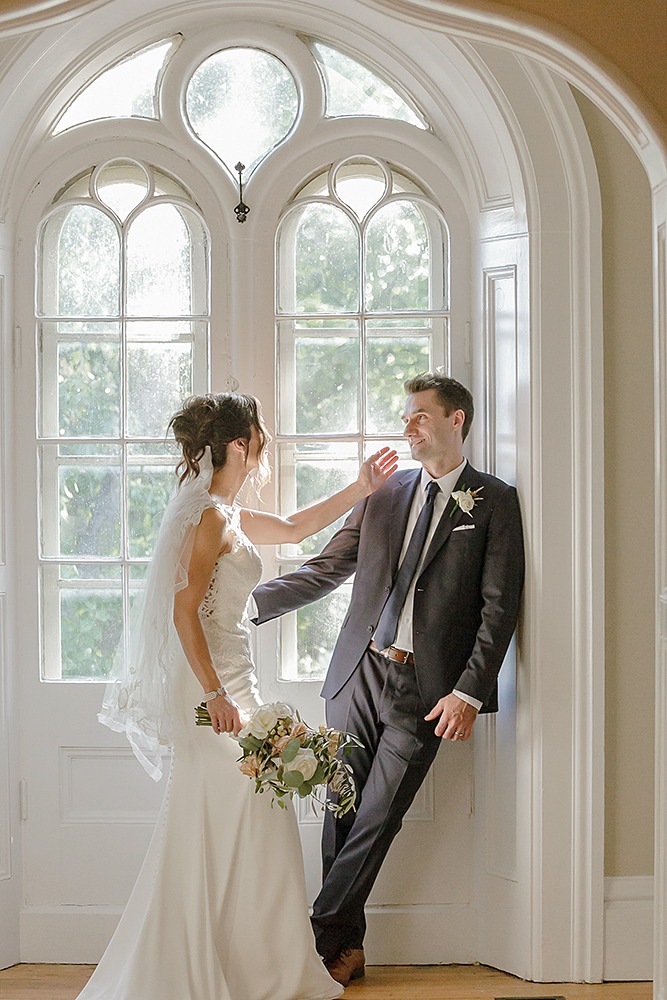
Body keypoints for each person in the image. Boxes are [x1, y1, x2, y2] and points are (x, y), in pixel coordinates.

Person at [80, 391, 398, 1000]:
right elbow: (183, 609)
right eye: (259, 435)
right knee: (231, 817)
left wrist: (360, 486)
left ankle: (251, 968)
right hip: (212, 692)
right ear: (237, 444)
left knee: (254, 819)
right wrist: (214, 693)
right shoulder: (204, 517)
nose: (265, 444)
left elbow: (297, 527)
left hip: (237, 685)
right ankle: (192, 968)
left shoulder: (226, 512)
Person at [252, 372, 525, 987]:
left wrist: (469, 690)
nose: (407, 427)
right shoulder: (385, 491)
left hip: (426, 692)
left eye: (420, 416)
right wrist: (247, 605)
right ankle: (341, 953)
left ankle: (311, 932)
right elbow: (328, 567)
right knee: (341, 814)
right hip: (357, 673)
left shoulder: (494, 501)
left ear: (457, 420)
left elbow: (499, 606)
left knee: (379, 816)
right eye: (406, 416)